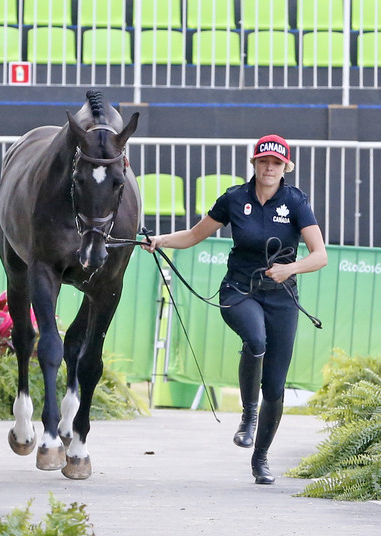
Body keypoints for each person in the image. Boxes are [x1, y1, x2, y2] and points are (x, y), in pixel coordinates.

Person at [142, 134, 328, 484]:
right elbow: (195, 235)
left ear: (285, 167)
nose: (269, 168)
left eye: (276, 163)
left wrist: (290, 268)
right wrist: (161, 240)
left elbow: (320, 256)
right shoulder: (234, 198)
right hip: (238, 290)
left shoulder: (296, 201)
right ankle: (247, 415)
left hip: (282, 296)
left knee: (275, 386)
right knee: (255, 339)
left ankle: (260, 458)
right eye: (263, 162)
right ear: (254, 164)